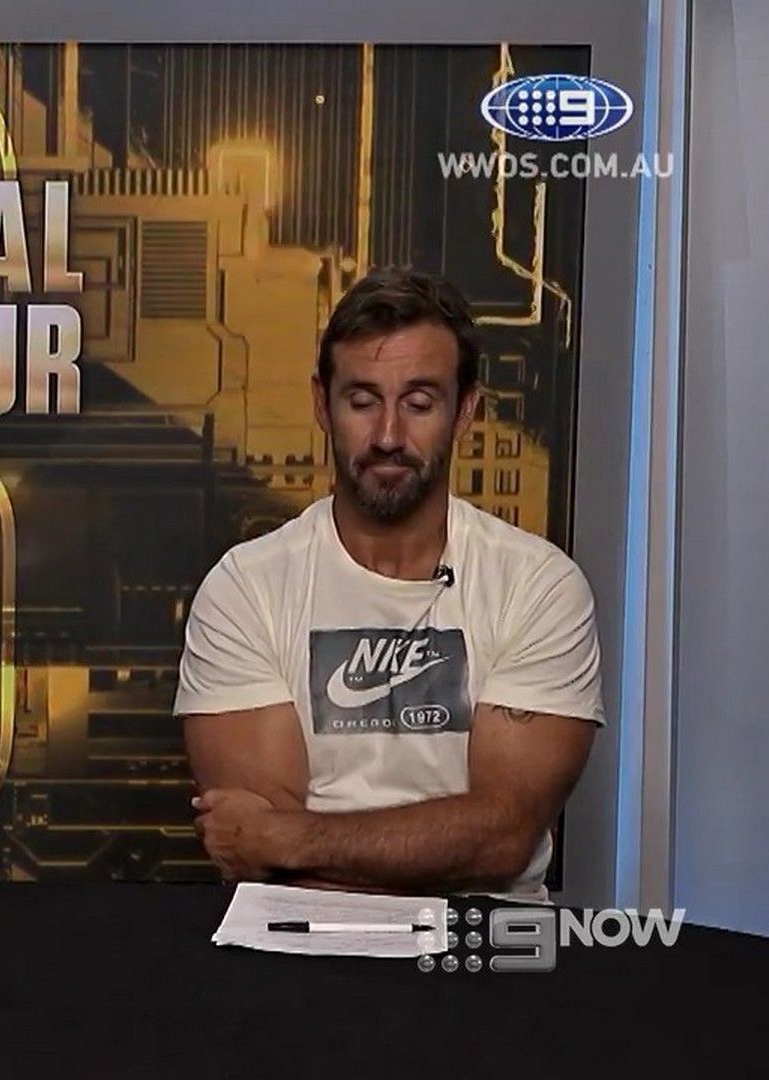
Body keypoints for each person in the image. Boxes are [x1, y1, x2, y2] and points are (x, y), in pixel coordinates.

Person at [175, 268, 604, 900]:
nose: (388, 436)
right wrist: (432, 845)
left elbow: (502, 840)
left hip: (482, 942)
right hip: (298, 942)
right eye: (363, 400)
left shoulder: (538, 587)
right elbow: (258, 862)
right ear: (321, 403)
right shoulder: (245, 590)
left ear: (465, 411)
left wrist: (290, 838)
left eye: (419, 403)